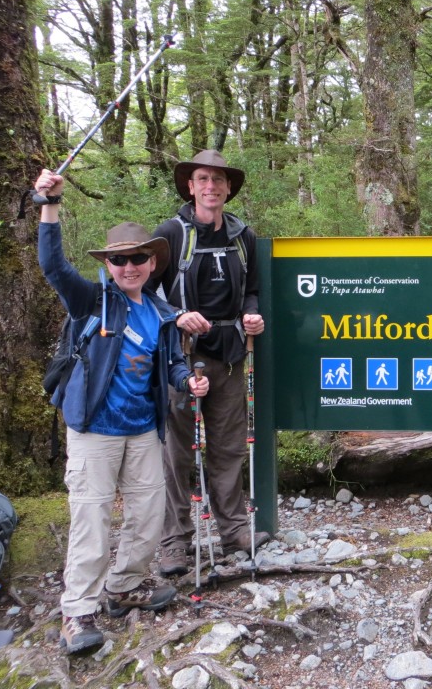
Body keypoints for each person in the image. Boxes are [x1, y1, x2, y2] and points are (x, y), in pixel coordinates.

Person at [34, 169, 208, 655]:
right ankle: (78, 610)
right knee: (91, 520)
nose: (128, 266)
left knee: (149, 514)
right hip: (94, 431)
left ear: (151, 263)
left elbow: (172, 365)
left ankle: (123, 588)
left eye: (136, 258)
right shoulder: (90, 301)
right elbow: (52, 266)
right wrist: (48, 203)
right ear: (108, 264)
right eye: (119, 259)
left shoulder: (160, 311)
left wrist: (188, 381)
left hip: (142, 432)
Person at [148, 150, 268, 577]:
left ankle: (235, 529)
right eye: (203, 179)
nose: (211, 187)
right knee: (177, 452)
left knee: (229, 445)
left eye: (218, 180)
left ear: (228, 188)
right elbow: (144, 293)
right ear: (190, 186)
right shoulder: (170, 235)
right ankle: (174, 543)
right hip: (183, 356)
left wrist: (251, 315)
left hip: (231, 354)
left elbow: (251, 287)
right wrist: (176, 315)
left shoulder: (242, 235)